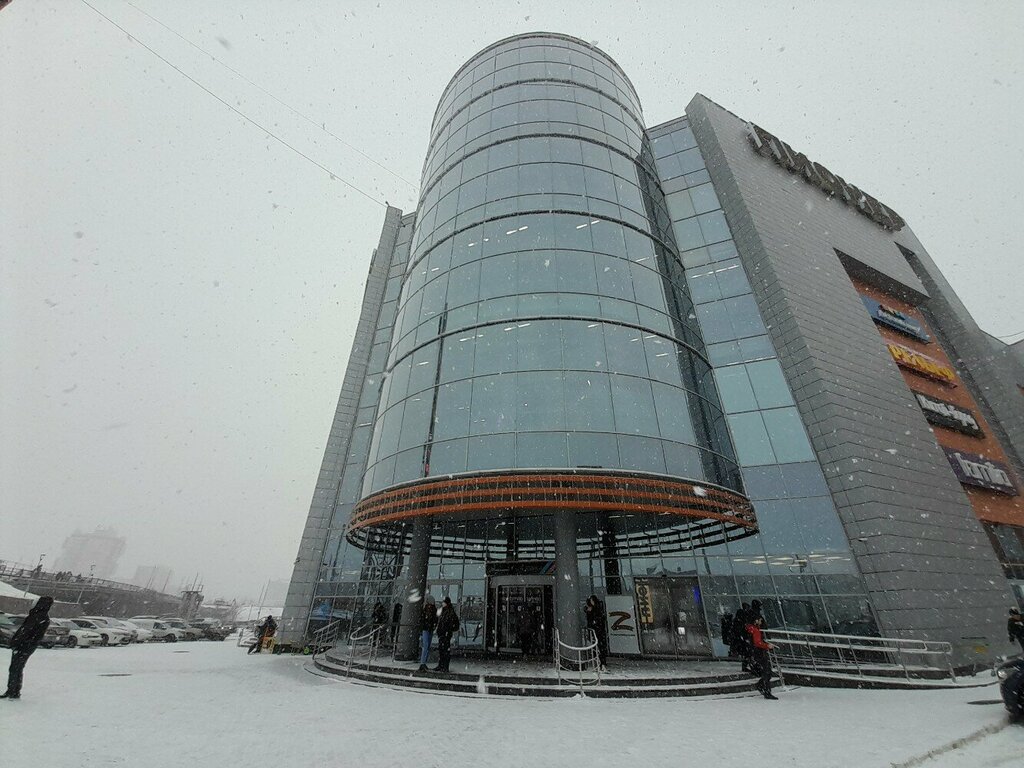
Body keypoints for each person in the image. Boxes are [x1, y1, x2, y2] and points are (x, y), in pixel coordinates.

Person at [3, 595, 53, 700]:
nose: (33, 604)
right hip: (28, 646)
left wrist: (16, 642)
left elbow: (25, 631)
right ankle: (14, 690)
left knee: (15, 668)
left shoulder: (37, 616)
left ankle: (12, 691)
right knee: (17, 668)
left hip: (24, 646)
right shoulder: (42, 616)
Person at [746, 615, 778, 700]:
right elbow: (758, 643)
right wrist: (767, 646)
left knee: (766, 672)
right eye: (760, 620)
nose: (761, 622)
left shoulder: (750, 629)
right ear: (755, 621)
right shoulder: (755, 630)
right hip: (759, 653)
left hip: (754, 653)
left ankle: (762, 686)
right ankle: (765, 689)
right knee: (767, 672)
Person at [434, 596, 459, 673]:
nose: (442, 603)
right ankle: (441, 665)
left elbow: (451, 623)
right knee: (442, 650)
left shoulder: (449, 612)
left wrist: (448, 630)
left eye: (444, 602)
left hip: (445, 633)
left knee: (445, 650)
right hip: (443, 633)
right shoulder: (444, 611)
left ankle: (444, 666)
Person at [584, 594, 609, 670]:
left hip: (598, 630)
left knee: (600, 647)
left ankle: (601, 663)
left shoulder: (597, 610)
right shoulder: (594, 610)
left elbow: (599, 619)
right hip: (596, 630)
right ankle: (600, 663)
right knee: (598, 647)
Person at [417, 599, 437, 671]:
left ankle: (423, 662)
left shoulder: (427, 610)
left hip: (427, 629)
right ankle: (423, 662)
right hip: (427, 629)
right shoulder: (430, 610)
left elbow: (422, 620)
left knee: (426, 646)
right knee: (426, 645)